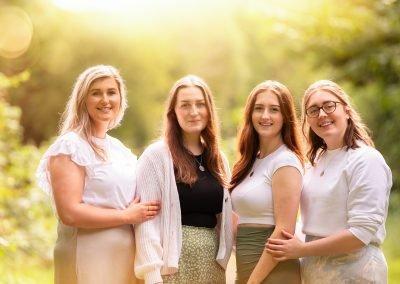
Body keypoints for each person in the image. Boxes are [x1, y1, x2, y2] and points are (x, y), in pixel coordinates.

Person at [36, 65, 160, 284]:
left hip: (125, 259)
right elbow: (70, 213)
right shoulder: (70, 146)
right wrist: (127, 216)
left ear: (120, 98)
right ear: (83, 100)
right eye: (96, 93)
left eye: (111, 92)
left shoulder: (119, 149)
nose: (105, 100)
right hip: (87, 258)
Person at [267, 80, 392, 283]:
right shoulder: (314, 163)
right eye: (313, 110)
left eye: (329, 105)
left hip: (356, 272)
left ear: (347, 110)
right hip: (314, 273)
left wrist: (302, 249)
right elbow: (315, 220)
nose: (322, 114)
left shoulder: (366, 159)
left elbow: (361, 233)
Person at [134, 75, 233, 284]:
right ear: (174, 112)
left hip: (211, 266)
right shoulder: (156, 156)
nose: (193, 112)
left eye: (200, 104)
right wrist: (152, 274)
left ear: (209, 111)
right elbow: (146, 222)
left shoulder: (218, 159)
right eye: (185, 105)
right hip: (171, 267)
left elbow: (225, 220)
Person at [230, 80, 304, 283]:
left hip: (274, 272)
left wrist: (253, 281)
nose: (265, 116)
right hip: (247, 269)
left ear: (285, 117)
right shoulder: (251, 161)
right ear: (250, 114)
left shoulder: (285, 161)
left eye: (274, 109)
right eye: (259, 108)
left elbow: (284, 231)